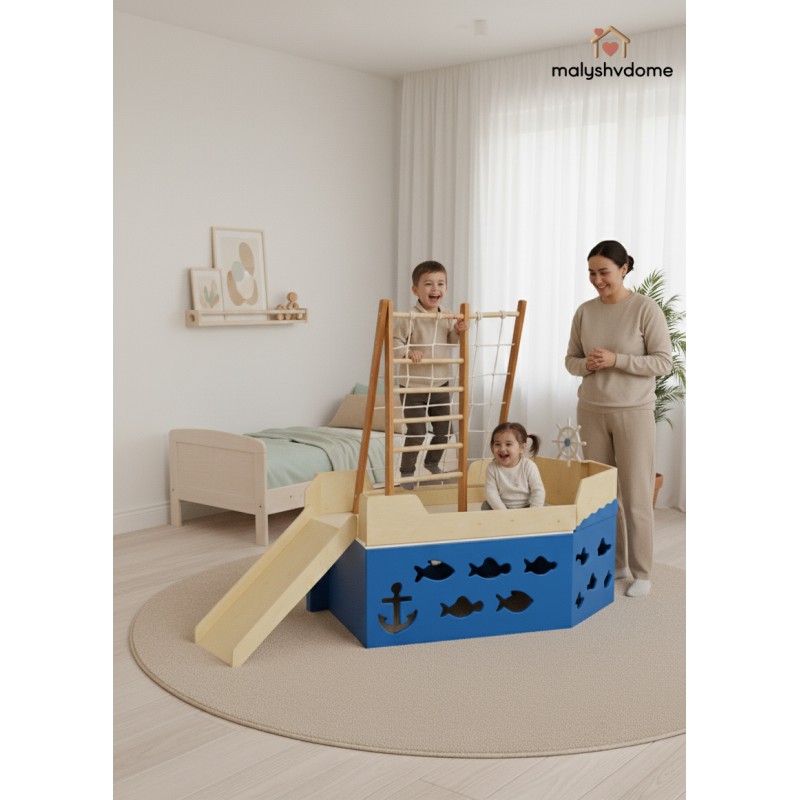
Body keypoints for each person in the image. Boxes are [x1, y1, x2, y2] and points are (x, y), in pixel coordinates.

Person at [565, 240, 672, 597]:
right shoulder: (584, 312)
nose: (597, 280)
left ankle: (643, 572)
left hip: (633, 412)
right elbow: (571, 361)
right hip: (591, 410)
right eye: (591, 273)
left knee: (637, 494)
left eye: (604, 272)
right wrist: (588, 364)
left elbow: (663, 362)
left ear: (624, 269)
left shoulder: (645, 309)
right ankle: (616, 562)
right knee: (602, 495)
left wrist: (617, 360)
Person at [393, 261, 468, 485]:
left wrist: (457, 331)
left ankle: (432, 462)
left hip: (440, 383)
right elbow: (395, 343)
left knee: (445, 430)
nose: (435, 289)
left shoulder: (447, 315)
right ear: (415, 290)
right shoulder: (408, 317)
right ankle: (407, 472)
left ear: (446, 288)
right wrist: (408, 352)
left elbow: (451, 341)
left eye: (440, 284)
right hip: (413, 386)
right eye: (428, 284)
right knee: (416, 431)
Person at [482, 422, 546, 510]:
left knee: (543, 505)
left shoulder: (529, 466)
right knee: (486, 506)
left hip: (526, 507)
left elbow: (538, 491)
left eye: (508, 444)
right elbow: (491, 493)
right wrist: (503, 512)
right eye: (497, 444)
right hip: (503, 508)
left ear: (521, 448)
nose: (502, 449)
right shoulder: (492, 468)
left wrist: (533, 512)